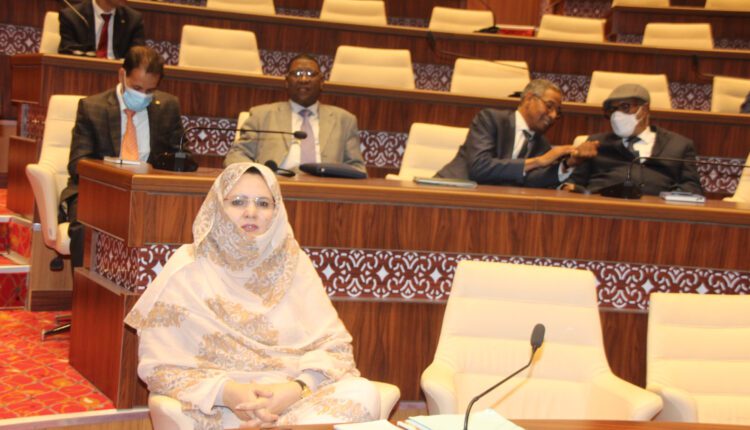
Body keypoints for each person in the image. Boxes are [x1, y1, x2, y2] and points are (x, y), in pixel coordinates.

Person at [125, 163, 380, 428]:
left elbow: (335, 347)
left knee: (363, 393)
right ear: (218, 206)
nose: (251, 212)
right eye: (237, 202)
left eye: (263, 203)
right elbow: (159, 365)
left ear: (276, 211)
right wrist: (230, 393)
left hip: (293, 401)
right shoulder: (189, 266)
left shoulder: (294, 263)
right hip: (219, 404)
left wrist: (295, 389)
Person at [60, 46, 183, 266]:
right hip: (98, 192)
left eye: (150, 90)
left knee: (176, 224)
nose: (143, 96)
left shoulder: (167, 107)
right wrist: (118, 172)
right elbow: (78, 164)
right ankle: (85, 286)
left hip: (147, 194)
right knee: (83, 229)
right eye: (137, 88)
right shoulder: (92, 107)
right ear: (121, 75)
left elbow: (180, 156)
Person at [435, 79, 598, 187]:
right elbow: (479, 167)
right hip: (451, 190)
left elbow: (531, 180)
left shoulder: (541, 144)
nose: (554, 116)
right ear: (528, 99)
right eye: (549, 106)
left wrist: (568, 164)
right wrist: (538, 161)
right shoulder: (491, 119)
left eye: (558, 112)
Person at [224, 54, 366, 174]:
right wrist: (260, 177)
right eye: (297, 74)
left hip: (326, 190)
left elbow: (357, 168)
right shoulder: (261, 115)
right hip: (275, 186)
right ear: (287, 82)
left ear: (322, 82)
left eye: (310, 74)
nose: (304, 80)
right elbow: (236, 155)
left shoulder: (344, 120)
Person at [566, 84, 702, 196]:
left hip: (658, 213)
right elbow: (573, 184)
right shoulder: (596, 143)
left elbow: (692, 189)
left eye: (625, 107)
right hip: (603, 210)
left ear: (645, 109)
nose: (617, 115)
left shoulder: (679, 145)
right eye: (612, 110)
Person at [59, 0, 145, 59]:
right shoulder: (72, 16)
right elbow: (67, 53)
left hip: (118, 73)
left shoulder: (133, 20)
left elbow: (137, 58)